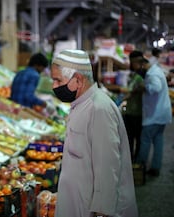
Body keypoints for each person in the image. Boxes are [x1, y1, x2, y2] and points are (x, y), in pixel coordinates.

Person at [50, 49, 138, 217]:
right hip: (77, 202)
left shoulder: (99, 109)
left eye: (57, 80)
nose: (54, 86)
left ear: (78, 80)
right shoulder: (80, 104)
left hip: (89, 208)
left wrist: (102, 212)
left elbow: (107, 168)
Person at [134, 50, 172, 177]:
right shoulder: (155, 70)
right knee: (158, 140)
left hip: (154, 115)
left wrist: (144, 88)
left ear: (142, 65)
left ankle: (140, 166)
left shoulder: (152, 74)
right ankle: (156, 168)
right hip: (161, 113)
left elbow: (157, 87)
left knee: (145, 139)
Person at [120, 51, 145, 161]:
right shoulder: (136, 76)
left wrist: (120, 100)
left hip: (134, 112)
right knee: (133, 137)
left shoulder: (139, 78)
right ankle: (132, 158)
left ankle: (134, 159)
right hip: (132, 111)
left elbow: (129, 93)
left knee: (133, 137)